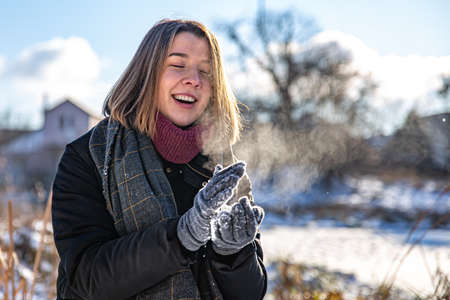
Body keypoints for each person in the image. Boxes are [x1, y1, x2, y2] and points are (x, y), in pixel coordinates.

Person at [51, 19, 267, 300]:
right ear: (147, 73)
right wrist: (183, 236)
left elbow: (251, 294)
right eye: (178, 65)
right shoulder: (88, 157)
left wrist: (233, 255)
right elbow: (85, 280)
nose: (194, 79)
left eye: (206, 71)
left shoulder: (225, 171)